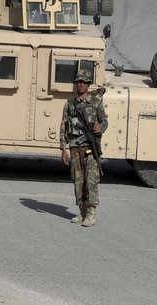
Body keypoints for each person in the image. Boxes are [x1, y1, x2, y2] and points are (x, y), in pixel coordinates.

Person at [60, 69, 108, 227]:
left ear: (88, 85)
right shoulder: (70, 104)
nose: (80, 84)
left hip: (89, 148)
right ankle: (81, 212)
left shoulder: (95, 102)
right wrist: (63, 148)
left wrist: (100, 127)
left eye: (83, 82)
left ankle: (91, 214)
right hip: (74, 149)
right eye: (78, 82)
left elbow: (104, 120)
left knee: (91, 180)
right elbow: (64, 126)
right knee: (78, 181)